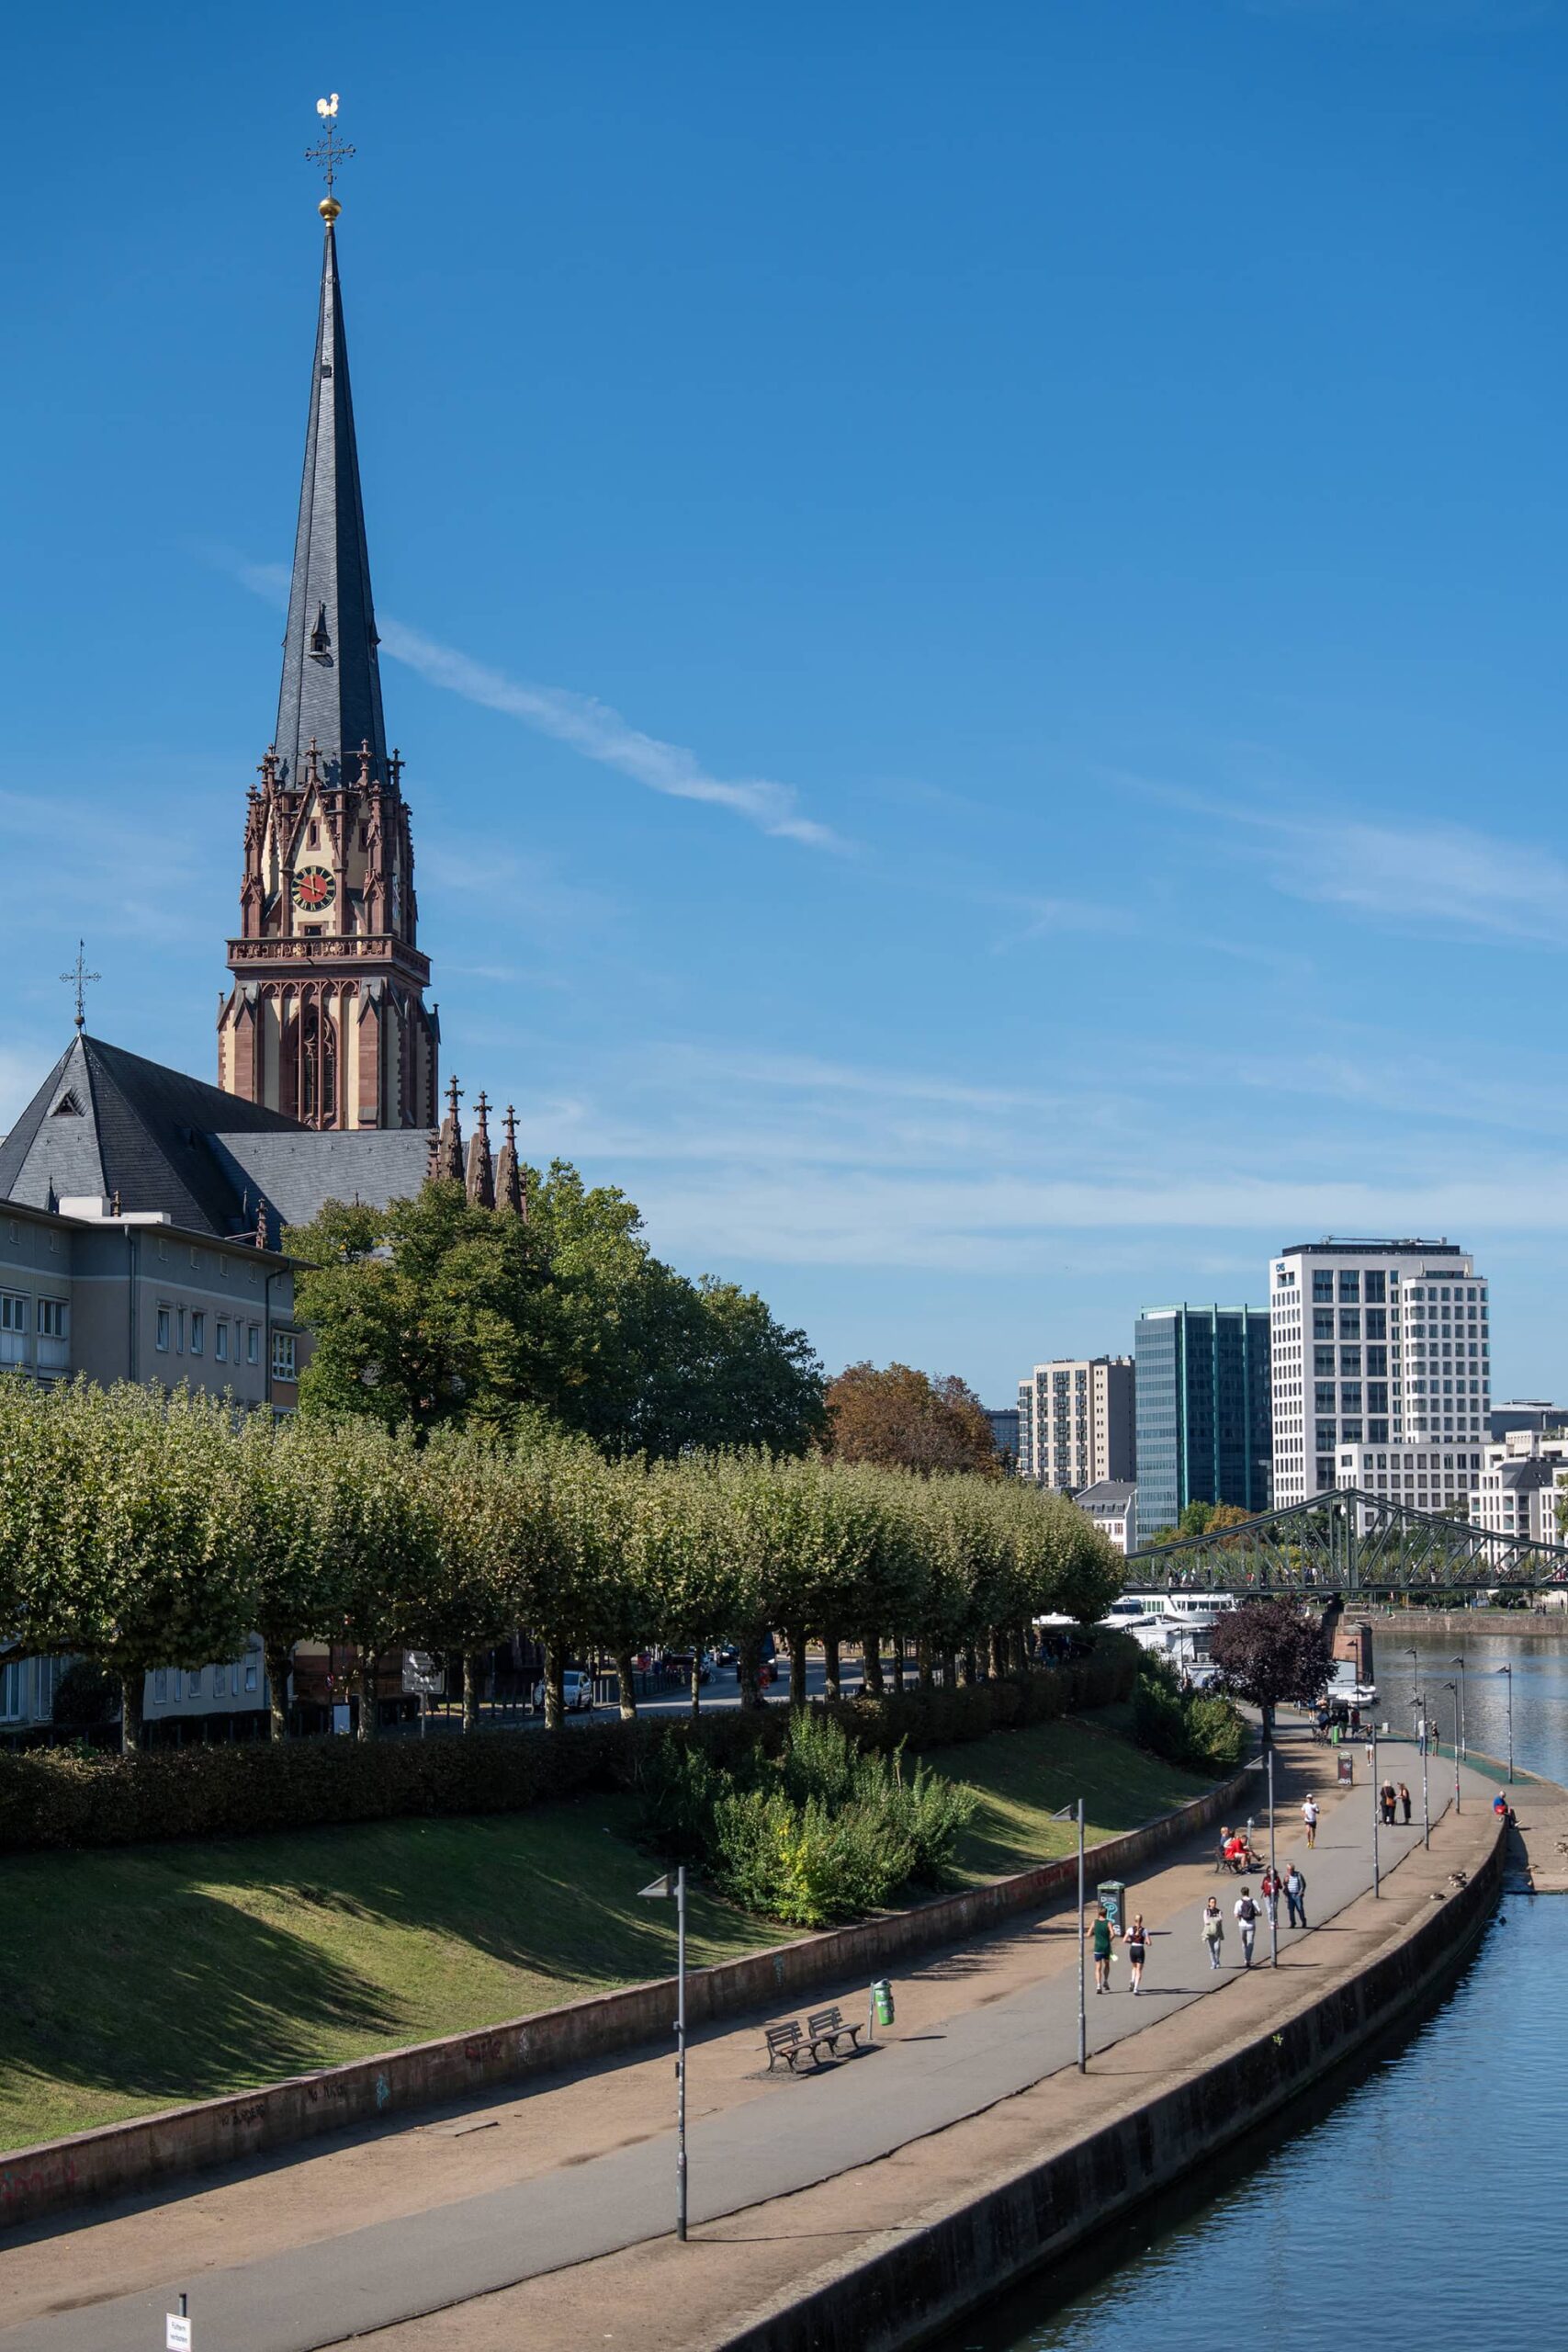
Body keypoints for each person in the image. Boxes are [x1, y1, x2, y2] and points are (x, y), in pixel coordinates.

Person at [1089, 1903, 1114, 1994]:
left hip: (1098, 1947)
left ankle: (1098, 1985)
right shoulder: (1108, 1923)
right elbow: (1113, 1934)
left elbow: (1088, 1934)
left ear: (1098, 1913)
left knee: (1098, 1967)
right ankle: (1106, 1980)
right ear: (1106, 1914)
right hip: (1106, 1947)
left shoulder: (1094, 1922)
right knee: (1107, 1964)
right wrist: (1109, 1940)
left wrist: (1094, 1933)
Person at [1235, 1885, 1259, 1967]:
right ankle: (1248, 1959)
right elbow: (1260, 1912)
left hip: (1242, 1924)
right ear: (1248, 1892)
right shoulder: (1253, 1901)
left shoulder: (1238, 1902)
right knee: (1250, 1942)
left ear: (1241, 1893)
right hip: (1251, 1924)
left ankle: (1246, 1958)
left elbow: (1236, 1915)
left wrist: (1241, 1917)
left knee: (1244, 1942)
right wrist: (1253, 1914)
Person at [1124, 1912, 1148, 1995]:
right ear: (1141, 1921)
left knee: (1134, 1966)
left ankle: (1132, 1980)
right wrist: (1146, 1942)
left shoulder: (1130, 1929)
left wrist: (1131, 1942)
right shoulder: (1144, 1930)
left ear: (1134, 1920)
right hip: (1140, 1949)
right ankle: (1136, 1989)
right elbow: (1149, 1942)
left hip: (1133, 1949)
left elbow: (1124, 1940)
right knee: (1139, 1970)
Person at [1202, 1894, 1225, 1970]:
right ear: (1209, 1903)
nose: (1213, 1903)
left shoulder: (1219, 1911)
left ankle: (1217, 1960)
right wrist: (1214, 1920)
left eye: (1214, 1902)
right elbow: (1206, 1921)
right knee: (1211, 1949)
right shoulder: (1206, 1911)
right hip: (1209, 1932)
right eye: (1212, 1902)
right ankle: (1213, 1963)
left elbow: (1221, 1919)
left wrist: (1213, 1920)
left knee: (1217, 1948)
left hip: (1217, 1932)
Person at [1284, 1862, 1307, 1929]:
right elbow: (1285, 1886)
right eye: (1288, 1869)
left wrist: (1301, 1892)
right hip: (1290, 1895)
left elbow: (1303, 1884)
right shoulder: (1286, 1876)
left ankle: (1303, 1921)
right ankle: (1293, 1923)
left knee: (1300, 1909)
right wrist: (1285, 1881)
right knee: (1291, 1910)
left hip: (1297, 1894)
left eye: (1291, 1869)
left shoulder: (1298, 1875)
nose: (1289, 1871)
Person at [1260, 1866, 1280, 1930]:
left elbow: (1280, 1886)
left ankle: (1276, 1922)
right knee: (1269, 1911)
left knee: (1274, 1909)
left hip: (1275, 1895)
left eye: (1271, 1871)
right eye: (1268, 1871)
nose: (1270, 1872)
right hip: (1267, 1896)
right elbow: (1262, 1887)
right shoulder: (1265, 1878)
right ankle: (1271, 1923)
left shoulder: (1277, 1878)